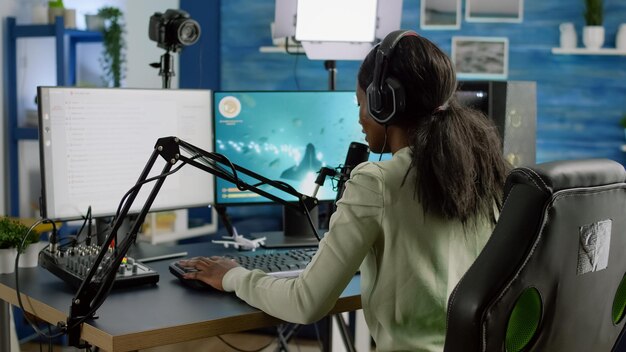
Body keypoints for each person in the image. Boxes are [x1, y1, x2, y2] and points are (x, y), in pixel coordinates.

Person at [179, 30, 510, 351]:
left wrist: (233, 275)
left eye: (361, 104)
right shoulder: (485, 169)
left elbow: (304, 303)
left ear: (384, 104)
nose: (360, 120)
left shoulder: (377, 180)